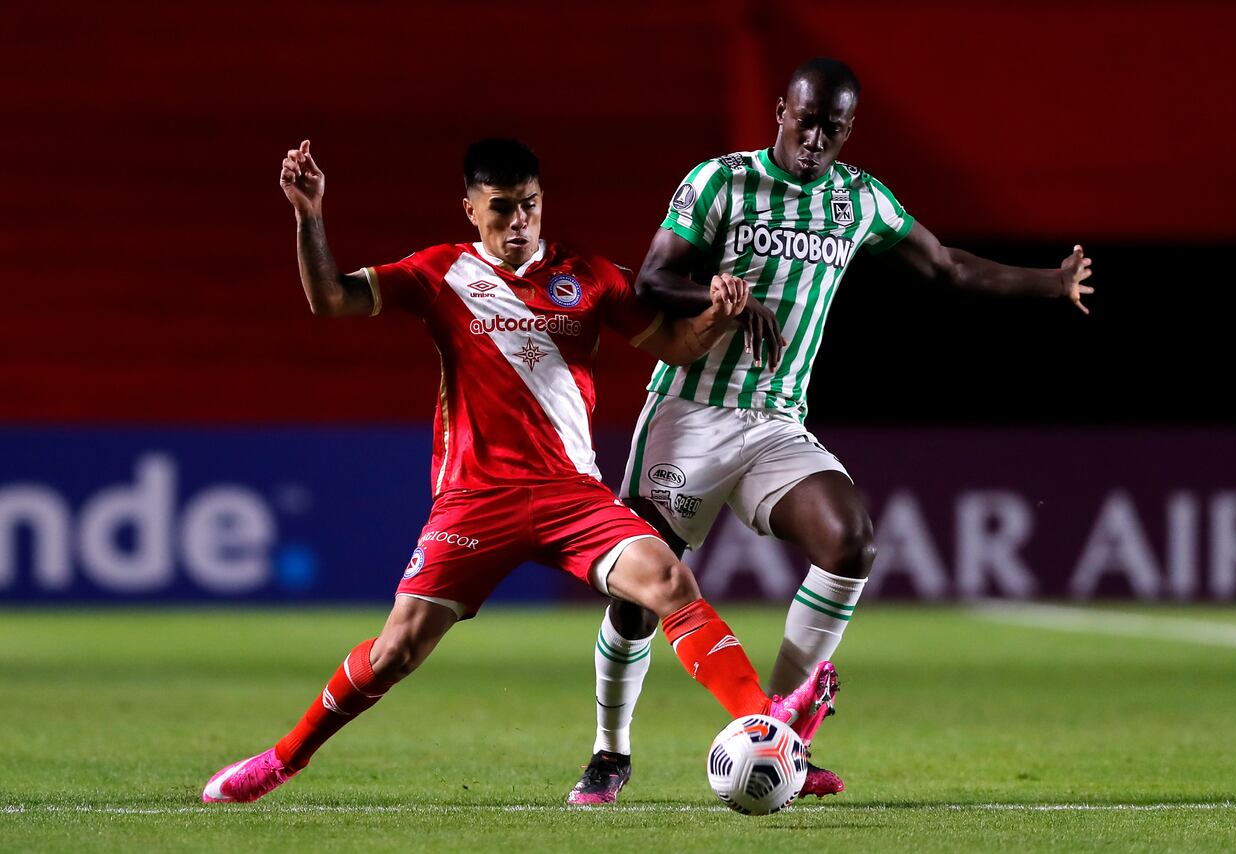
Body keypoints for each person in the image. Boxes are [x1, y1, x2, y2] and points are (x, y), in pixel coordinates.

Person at [201, 137, 841, 803]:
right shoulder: (439, 273)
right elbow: (330, 299)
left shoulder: (590, 276)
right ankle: (282, 759)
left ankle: (763, 724)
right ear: (471, 211)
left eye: (529, 207)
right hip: (474, 501)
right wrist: (310, 216)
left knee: (669, 580)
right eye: (501, 209)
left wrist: (719, 316)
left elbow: (677, 347)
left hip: (571, 495)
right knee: (397, 650)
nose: (518, 223)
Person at [566, 57, 1095, 805]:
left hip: (777, 421)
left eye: (832, 127)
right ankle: (609, 751)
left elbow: (944, 266)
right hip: (688, 412)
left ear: (849, 131)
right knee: (636, 598)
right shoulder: (720, 181)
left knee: (851, 542)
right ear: (781, 109)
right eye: (805, 118)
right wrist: (714, 293)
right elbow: (651, 281)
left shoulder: (859, 201)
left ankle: (780, 731)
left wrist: (1049, 283)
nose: (814, 137)